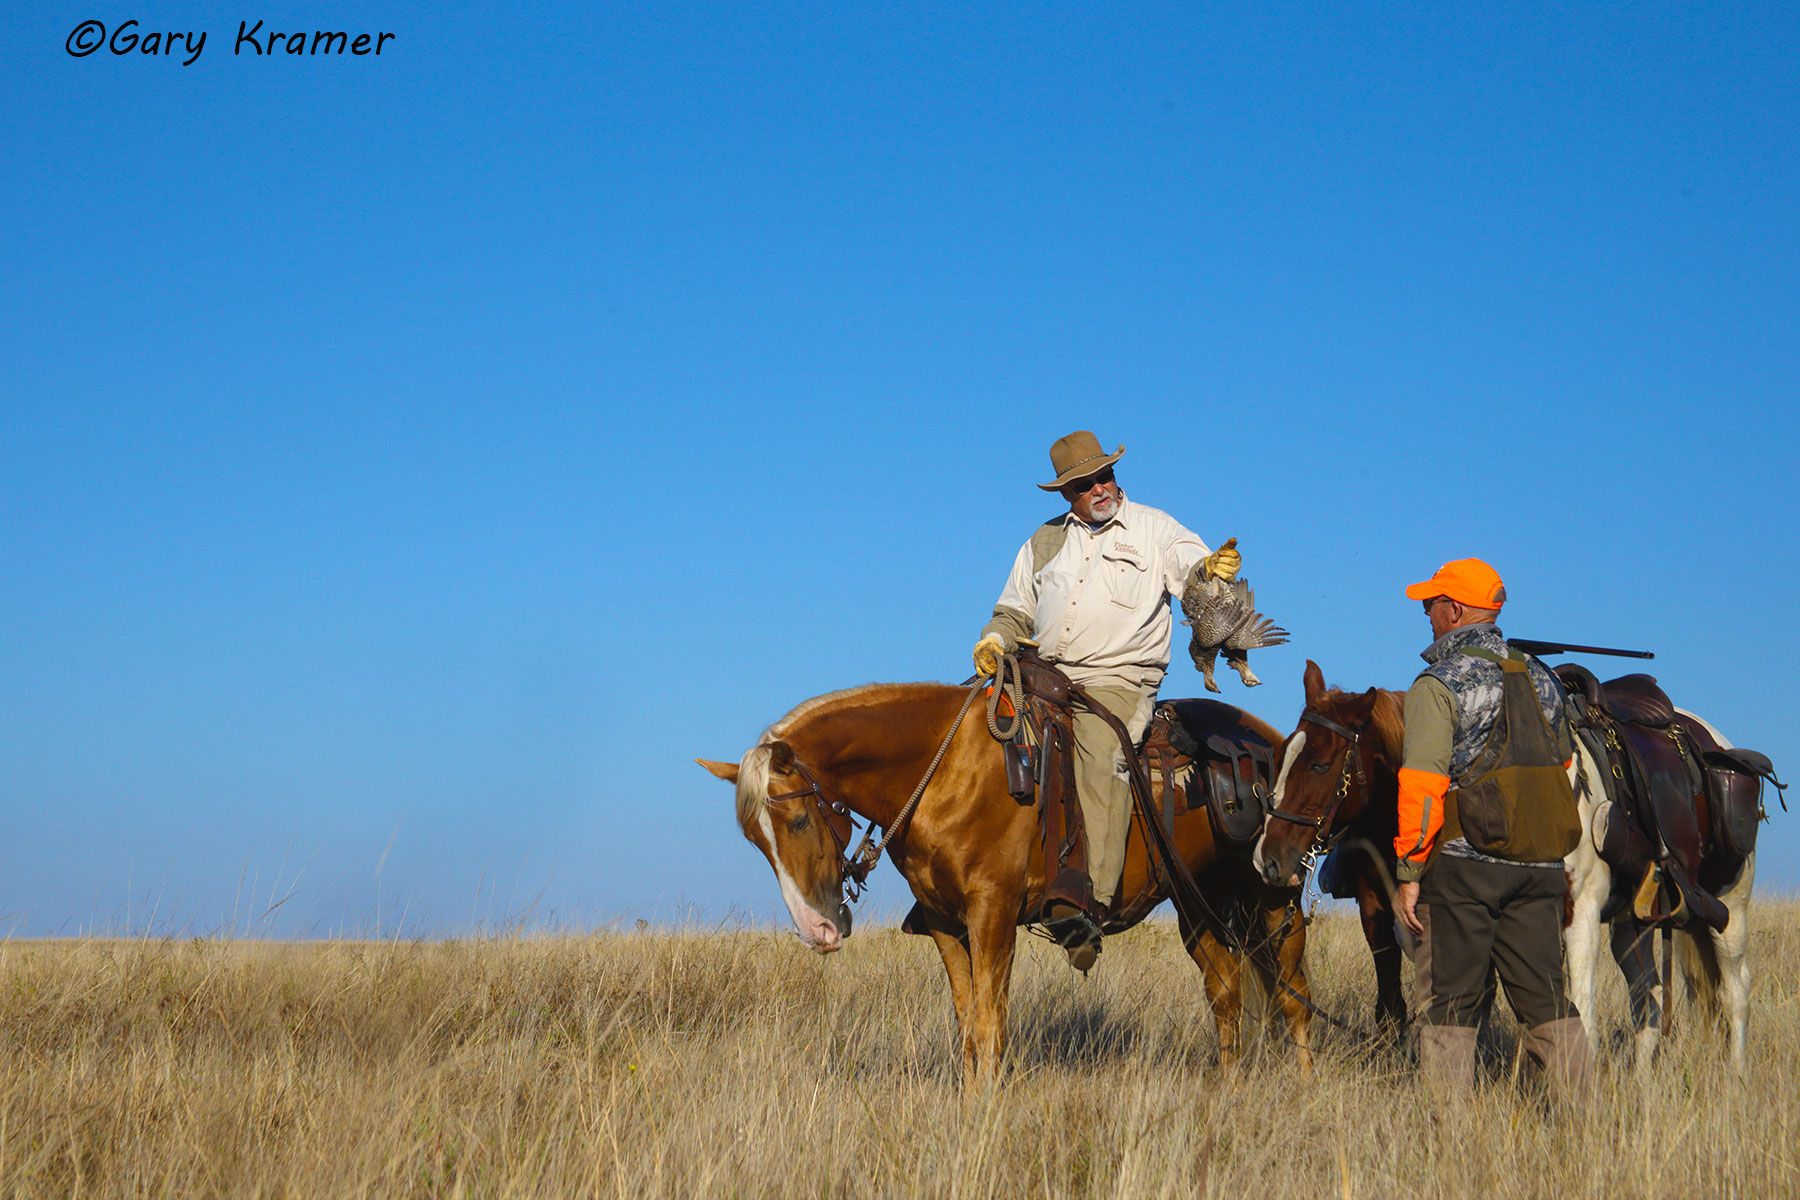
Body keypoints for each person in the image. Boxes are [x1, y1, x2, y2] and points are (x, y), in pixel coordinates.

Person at [970, 430, 1239, 967]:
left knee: (1099, 753)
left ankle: (1090, 903)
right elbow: (1014, 608)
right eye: (1082, 483)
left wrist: (1208, 574)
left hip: (1118, 680)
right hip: (1041, 675)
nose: (1098, 487)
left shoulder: (1155, 529)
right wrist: (995, 639)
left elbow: (1195, 573)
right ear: (1065, 494)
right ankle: (961, 881)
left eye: (1103, 476)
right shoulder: (1044, 541)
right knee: (975, 736)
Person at [1393, 558, 1592, 1104]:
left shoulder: (1439, 682)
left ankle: (1450, 1144)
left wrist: (1410, 871)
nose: (1427, 615)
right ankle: (1589, 1129)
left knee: (1449, 1005)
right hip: (1540, 866)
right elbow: (1564, 766)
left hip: (1464, 864)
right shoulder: (1543, 678)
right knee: (1548, 1002)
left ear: (1454, 610)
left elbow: (1422, 784)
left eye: (1431, 604)